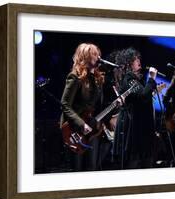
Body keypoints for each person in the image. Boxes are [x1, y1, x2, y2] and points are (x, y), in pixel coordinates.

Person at [60, 43, 105, 171]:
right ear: (85, 57)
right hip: (75, 129)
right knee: (77, 170)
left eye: (98, 54)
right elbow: (65, 104)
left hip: (91, 128)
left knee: (91, 167)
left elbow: (96, 105)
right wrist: (81, 124)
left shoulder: (97, 78)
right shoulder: (75, 77)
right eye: (94, 54)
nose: (99, 57)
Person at [113, 47, 158, 169]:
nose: (139, 60)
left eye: (138, 58)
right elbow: (143, 96)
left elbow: (143, 97)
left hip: (141, 129)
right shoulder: (128, 79)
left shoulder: (137, 80)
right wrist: (152, 79)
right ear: (128, 63)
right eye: (135, 59)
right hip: (134, 130)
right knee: (135, 163)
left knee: (144, 162)